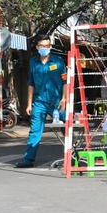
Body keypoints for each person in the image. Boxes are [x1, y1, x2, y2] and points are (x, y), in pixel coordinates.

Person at [15, 34, 67, 168]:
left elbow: (65, 81)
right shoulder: (33, 62)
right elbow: (31, 83)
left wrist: (64, 98)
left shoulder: (58, 61)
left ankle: (73, 155)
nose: (44, 48)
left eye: (47, 46)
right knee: (35, 130)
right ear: (37, 47)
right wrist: (29, 103)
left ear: (50, 46)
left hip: (57, 102)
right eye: (42, 46)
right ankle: (28, 159)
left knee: (68, 127)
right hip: (39, 102)